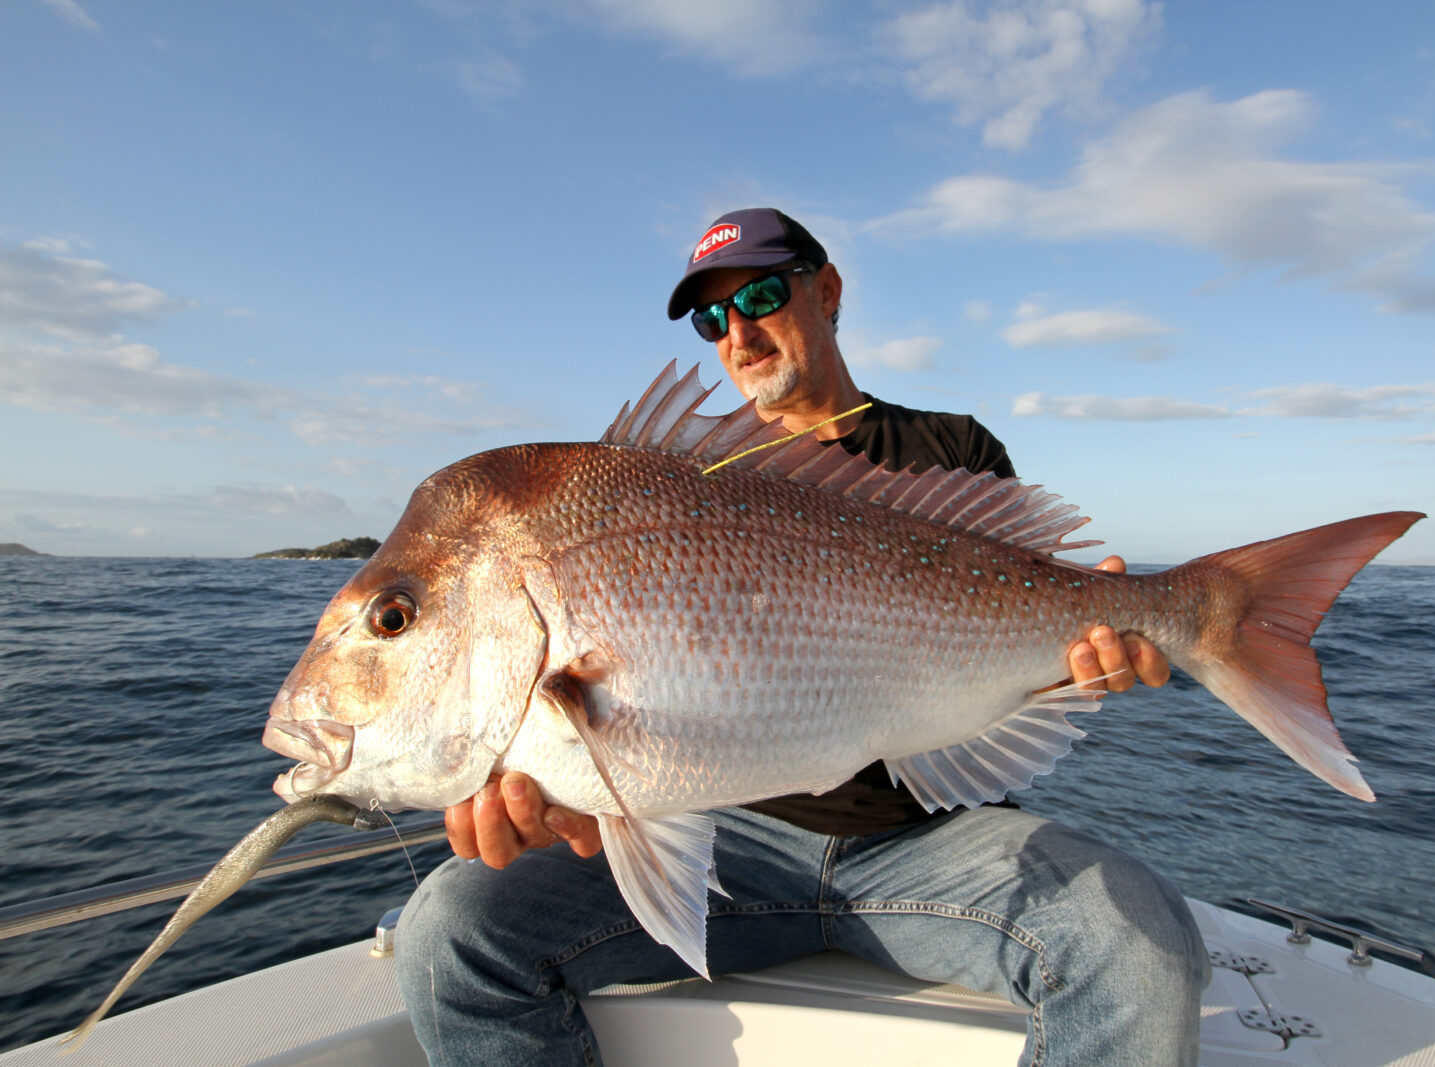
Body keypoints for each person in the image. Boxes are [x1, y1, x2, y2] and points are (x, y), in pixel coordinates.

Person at [396, 208, 1209, 1065]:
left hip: (928, 838)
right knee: (451, 930)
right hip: (728, 842)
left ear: (827, 290)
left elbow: (1015, 652)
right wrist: (568, 798)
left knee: (1137, 939)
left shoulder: (950, 449)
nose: (738, 332)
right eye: (713, 318)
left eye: (760, 294)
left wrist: (1088, 660)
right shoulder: (675, 479)